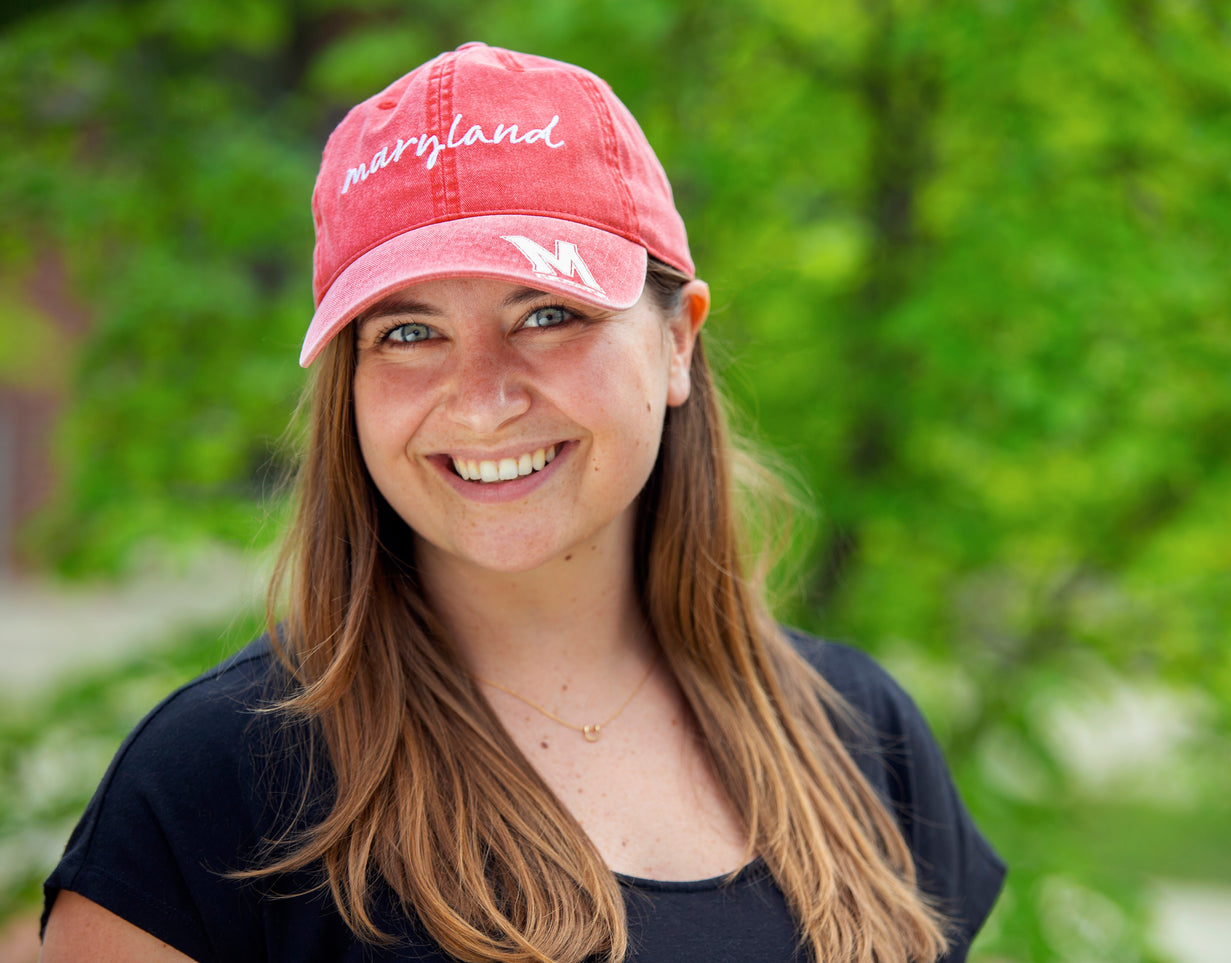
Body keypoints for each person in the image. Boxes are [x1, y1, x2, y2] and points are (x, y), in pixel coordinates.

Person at [38, 42, 1005, 963]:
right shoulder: (214, 784)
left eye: (548, 315)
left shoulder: (858, 732)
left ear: (677, 341)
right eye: (409, 332)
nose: (482, 399)